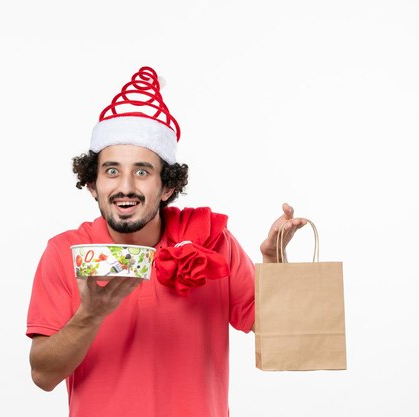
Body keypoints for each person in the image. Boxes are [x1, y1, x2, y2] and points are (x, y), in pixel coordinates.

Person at [26, 66, 306, 417]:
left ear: (168, 186)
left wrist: (275, 264)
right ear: (93, 184)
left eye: (142, 171)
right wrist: (90, 315)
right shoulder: (65, 253)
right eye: (111, 171)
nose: (125, 186)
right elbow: (43, 375)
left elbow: (280, 335)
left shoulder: (212, 241)